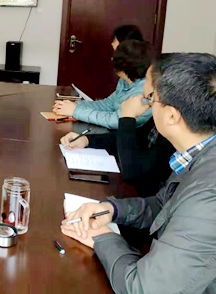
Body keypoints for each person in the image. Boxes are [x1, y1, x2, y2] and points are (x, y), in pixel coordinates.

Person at [61, 53, 216, 293]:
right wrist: (113, 209)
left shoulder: (208, 194)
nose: (145, 104)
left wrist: (103, 237)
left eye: (150, 98)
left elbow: (143, 288)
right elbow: (164, 205)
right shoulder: (198, 153)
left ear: (172, 115)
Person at [60, 93, 175, 196]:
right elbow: (137, 136)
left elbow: (133, 173)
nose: (144, 95)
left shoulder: (171, 132)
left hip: (150, 201)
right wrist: (87, 140)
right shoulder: (159, 117)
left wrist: (127, 117)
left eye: (150, 96)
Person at [53, 40, 153, 129]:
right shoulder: (125, 81)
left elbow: (116, 121)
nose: (112, 59)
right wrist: (74, 105)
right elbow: (108, 105)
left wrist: (76, 111)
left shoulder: (144, 92)